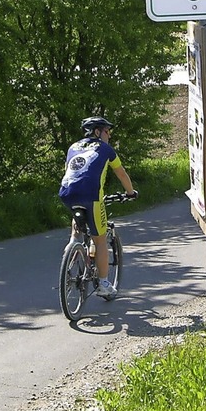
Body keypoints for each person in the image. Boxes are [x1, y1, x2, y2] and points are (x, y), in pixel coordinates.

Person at [59, 117, 137, 300]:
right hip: (92, 197)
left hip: (67, 193)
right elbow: (121, 173)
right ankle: (103, 283)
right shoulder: (105, 149)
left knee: (77, 229)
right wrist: (131, 192)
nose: (109, 135)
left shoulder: (73, 147)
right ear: (97, 132)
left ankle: (71, 249)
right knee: (100, 240)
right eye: (107, 131)